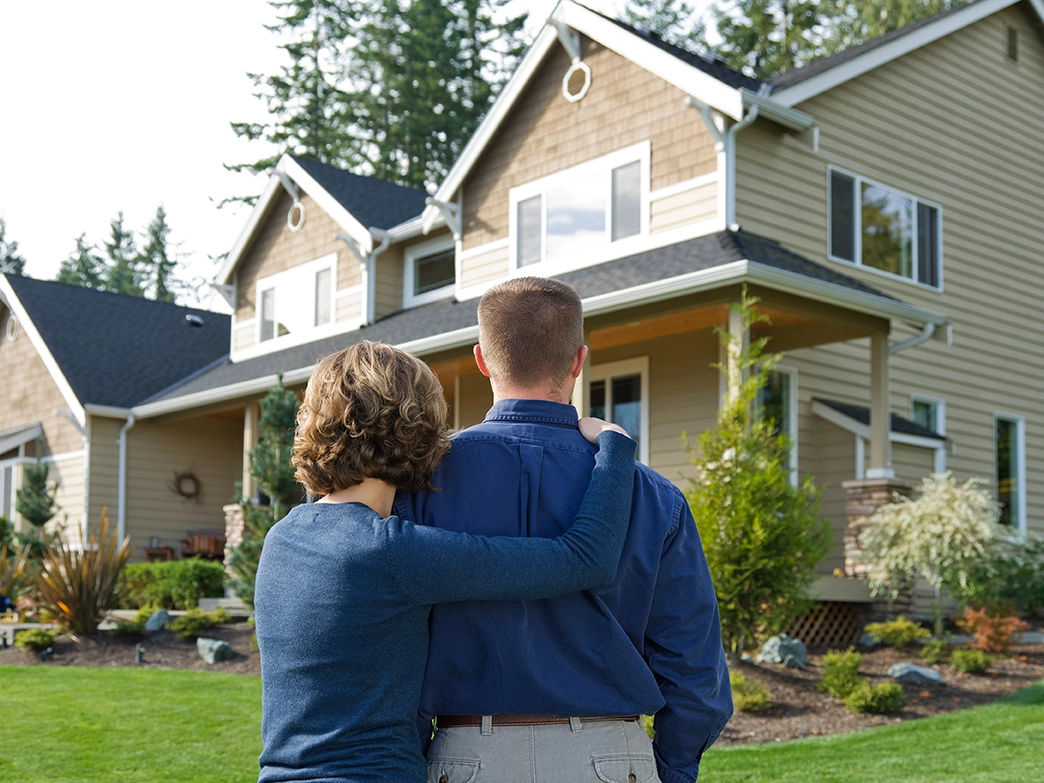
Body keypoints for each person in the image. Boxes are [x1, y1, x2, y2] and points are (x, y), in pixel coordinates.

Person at [396, 277, 733, 783]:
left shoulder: (418, 485)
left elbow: (392, 648)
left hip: (465, 759)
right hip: (614, 759)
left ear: (482, 360)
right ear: (578, 360)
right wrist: (672, 770)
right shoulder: (654, 497)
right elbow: (695, 672)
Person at [253, 340, 636, 783]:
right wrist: (616, 446)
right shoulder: (392, 553)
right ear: (418, 430)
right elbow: (585, 559)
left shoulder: (282, 538)